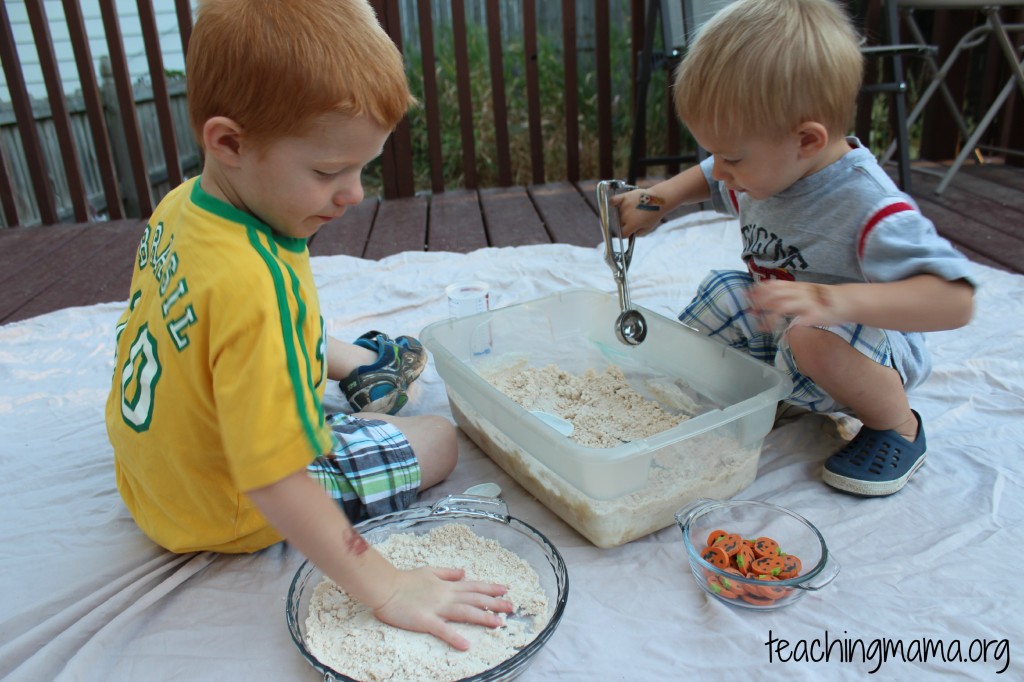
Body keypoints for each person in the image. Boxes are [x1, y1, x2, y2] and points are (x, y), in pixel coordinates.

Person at [105, 0, 512, 650]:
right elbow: (274, 481)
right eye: (327, 172)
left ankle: (364, 368)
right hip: (223, 505)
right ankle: (372, 383)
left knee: (295, 356)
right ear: (229, 142)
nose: (353, 193)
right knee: (437, 437)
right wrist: (387, 584)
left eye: (363, 168)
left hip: (151, 477)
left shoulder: (182, 203)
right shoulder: (255, 286)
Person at [613, 0, 975, 496]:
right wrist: (660, 199)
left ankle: (897, 428)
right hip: (788, 327)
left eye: (731, 157)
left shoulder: (866, 205)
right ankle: (765, 390)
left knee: (812, 334)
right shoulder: (769, 163)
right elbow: (707, 177)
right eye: (715, 153)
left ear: (806, 140)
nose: (720, 171)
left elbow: (955, 300)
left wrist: (832, 300)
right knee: (725, 291)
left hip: (866, 349)